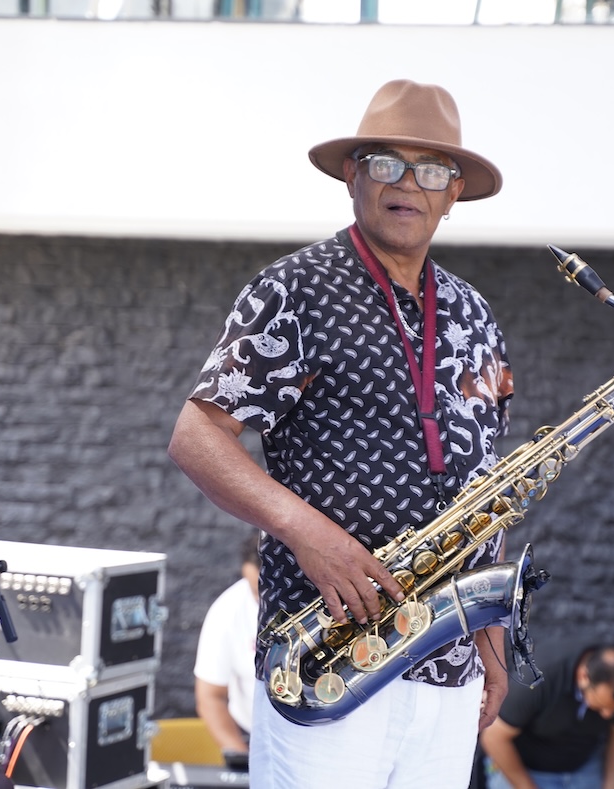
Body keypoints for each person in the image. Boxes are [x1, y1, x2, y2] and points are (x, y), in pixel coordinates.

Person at [168, 78, 513, 788]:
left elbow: (489, 484)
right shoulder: (294, 289)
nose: (407, 183)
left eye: (431, 170)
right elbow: (196, 437)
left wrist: (491, 631)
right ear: (353, 175)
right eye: (386, 163)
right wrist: (307, 533)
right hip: (326, 663)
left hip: (449, 668)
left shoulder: (476, 314)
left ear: (453, 193)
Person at [479, 644, 614, 789]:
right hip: (523, 767)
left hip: (583, 767)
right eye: (600, 705)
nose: (607, 715)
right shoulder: (537, 678)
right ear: (584, 677)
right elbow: (494, 738)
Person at [194, 533, 261, 759]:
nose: (260, 599)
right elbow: (210, 696)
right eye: (255, 591)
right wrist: (243, 760)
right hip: (254, 737)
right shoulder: (227, 610)